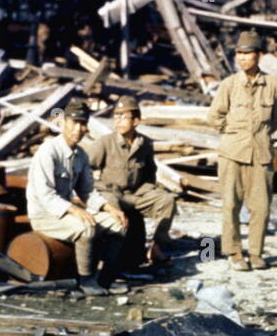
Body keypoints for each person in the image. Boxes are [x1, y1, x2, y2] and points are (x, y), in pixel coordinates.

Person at [26, 98, 128, 296]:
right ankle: (86, 280)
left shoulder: (80, 154)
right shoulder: (48, 151)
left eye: (83, 124)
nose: (79, 129)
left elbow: (87, 191)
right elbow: (45, 195)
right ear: (63, 123)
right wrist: (74, 210)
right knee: (86, 227)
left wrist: (111, 209)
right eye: (74, 123)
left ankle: (105, 279)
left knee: (118, 224)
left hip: (65, 212)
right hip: (45, 216)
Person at [207, 30, 277, 270]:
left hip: (260, 154)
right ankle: (235, 252)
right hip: (232, 153)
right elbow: (214, 116)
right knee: (231, 206)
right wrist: (234, 134)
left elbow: (275, 120)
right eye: (239, 54)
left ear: (259, 56)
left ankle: (257, 253)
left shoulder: (272, 84)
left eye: (247, 54)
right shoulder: (229, 85)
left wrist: (257, 137)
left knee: (260, 207)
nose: (242, 58)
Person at [83, 95, 178, 274]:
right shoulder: (106, 142)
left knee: (167, 201)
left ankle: (156, 247)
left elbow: (150, 171)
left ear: (136, 120)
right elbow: (84, 168)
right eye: (116, 116)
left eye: (123, 116)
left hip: (136, 194)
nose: (118, 121)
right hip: (111, 192)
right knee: (115, 208)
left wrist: (147, 190)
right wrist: (97, 188)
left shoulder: (144, 143)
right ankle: (111, 261)